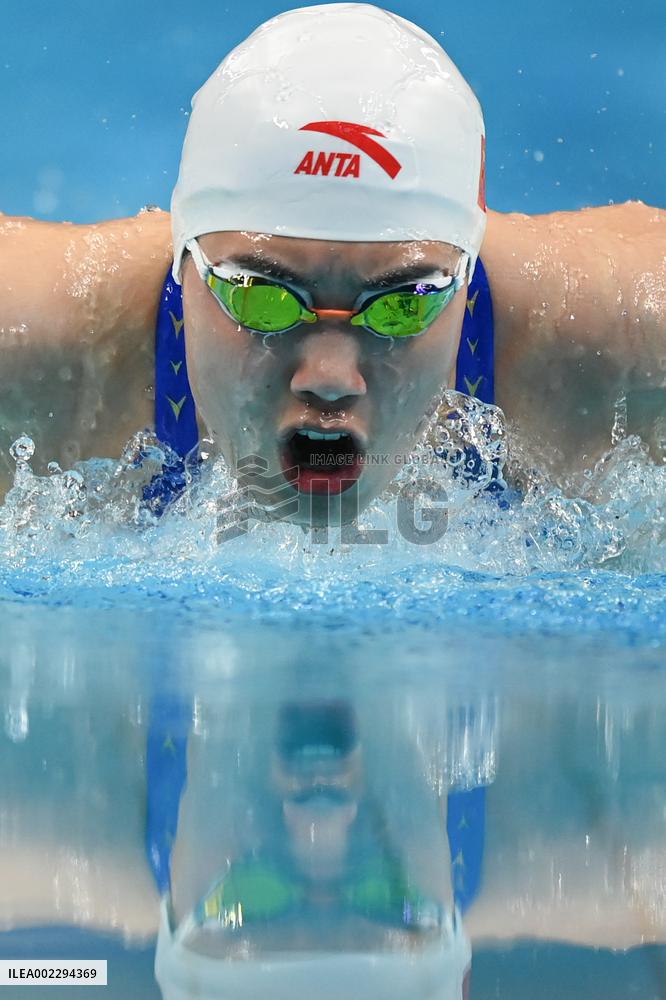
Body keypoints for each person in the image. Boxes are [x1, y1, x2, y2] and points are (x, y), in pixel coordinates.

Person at [0, 3, 663, 523]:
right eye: (262, 294)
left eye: (404, 301)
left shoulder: (617, 343)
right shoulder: (43, 347)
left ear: (463, 279)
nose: (330, 378)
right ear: (186, 258)